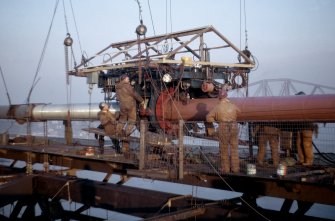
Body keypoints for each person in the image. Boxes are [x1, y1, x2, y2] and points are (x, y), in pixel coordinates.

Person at [206, 89, 241, 173]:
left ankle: (225, 169)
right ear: (226, 96)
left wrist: (216, 120)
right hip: (233, 127)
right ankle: (235, 168)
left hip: (223, 127)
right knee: (234, 149)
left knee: (224, 149)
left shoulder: (217, 107)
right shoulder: (232, 105)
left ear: (219, 97)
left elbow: (208, 118)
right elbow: (239, 112)